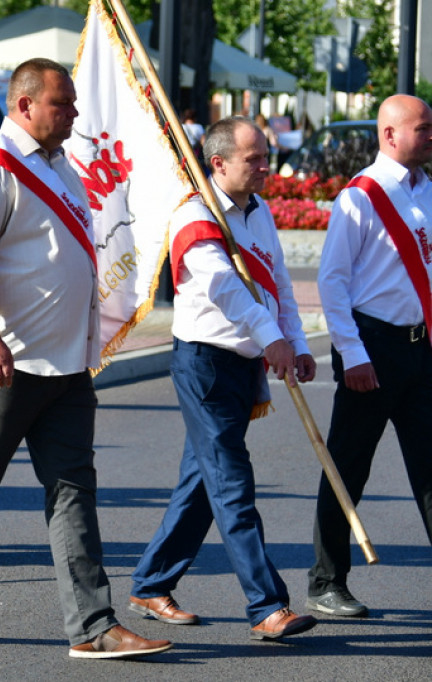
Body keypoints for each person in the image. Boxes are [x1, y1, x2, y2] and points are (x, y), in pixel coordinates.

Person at [0, 59, 171, 660]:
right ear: (25, 105)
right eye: (61, 104)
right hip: (4, 362)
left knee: (74, 490)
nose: (72, 114)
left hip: (64, 365)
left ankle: (93, 627)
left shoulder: (61, 165)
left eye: (72, 104)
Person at [129, 116, 318, 641]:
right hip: (206, 364)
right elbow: (224, 288)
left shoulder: (259, 213)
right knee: (232, 483)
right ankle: (266, 605)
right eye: (253, 159)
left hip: (244, 364)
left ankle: (150, 583)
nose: (266, 167)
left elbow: (276, 282)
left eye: (265, 156)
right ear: (218, 163)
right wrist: (270, 338)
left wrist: (296, 342)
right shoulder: (195, 214)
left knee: (201, 481)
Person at [307, 94, 432, 618]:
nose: (431, 136)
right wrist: (352, 354)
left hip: (419, 347)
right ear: (389, 134)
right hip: (371, 348)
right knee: (349, 466)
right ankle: (325, 581)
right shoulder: (359, 197)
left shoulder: (428, 191)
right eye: (423, 129)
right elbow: (332, 283)